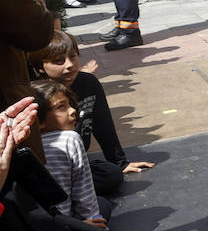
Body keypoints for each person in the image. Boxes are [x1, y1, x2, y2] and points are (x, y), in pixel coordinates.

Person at [30, 30, 153, 195]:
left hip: (75, 164)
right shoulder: (35, 94)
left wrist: (119, 162)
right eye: (58, 61)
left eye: (73, 57)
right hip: (48, 169)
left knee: (111, 174)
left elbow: (103, 124)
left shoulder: (88, 83)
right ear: (40, 67)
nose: (70, 65)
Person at [28, 79, 103, 226]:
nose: (73, 110)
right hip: (65, 225)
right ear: (39, 120)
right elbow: (84, 196)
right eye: (61, 107)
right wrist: (93, 226)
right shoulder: (69, 139)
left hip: (37, 228)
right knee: (103, 203)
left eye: (70, 104)